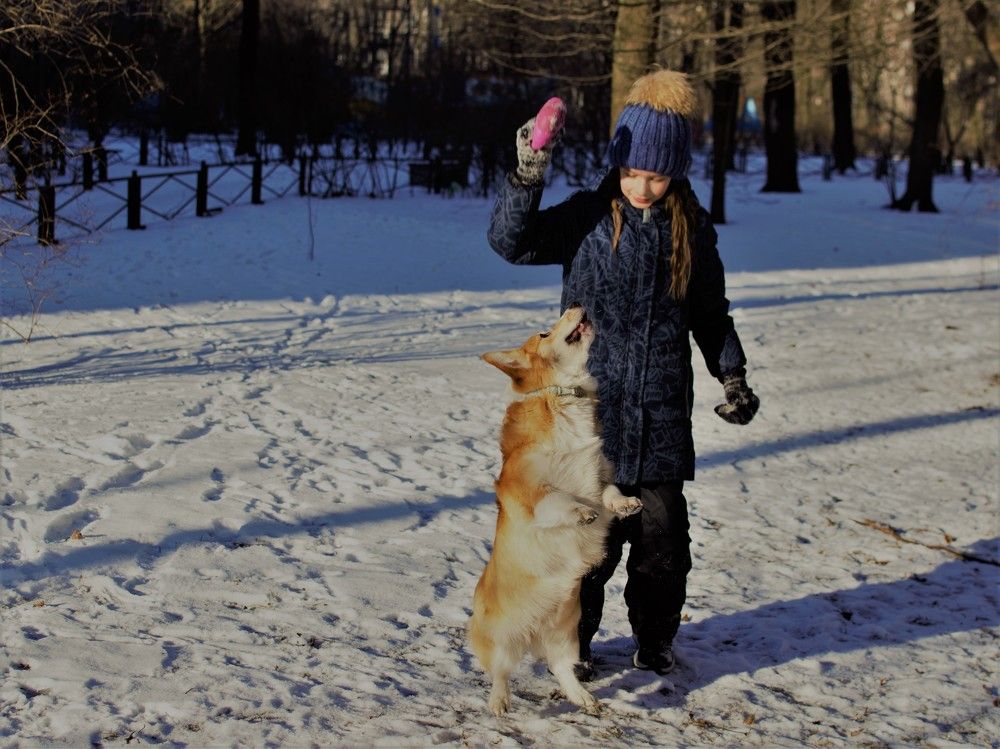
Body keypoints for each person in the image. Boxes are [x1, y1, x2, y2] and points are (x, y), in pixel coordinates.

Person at [485, 69, 759, 678]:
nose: (641, 185)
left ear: (676, 172)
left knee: (663, 542)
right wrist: (529, 169)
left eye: (656, 175)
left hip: (660, 415)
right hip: (589, 419)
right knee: (589, 548)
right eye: (631, 172)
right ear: (616, 165)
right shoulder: (587, 217)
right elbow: (512, 240)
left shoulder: (691, 232)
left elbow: (711, 316)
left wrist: (732, 376)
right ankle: (572, 646)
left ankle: (655, 640)